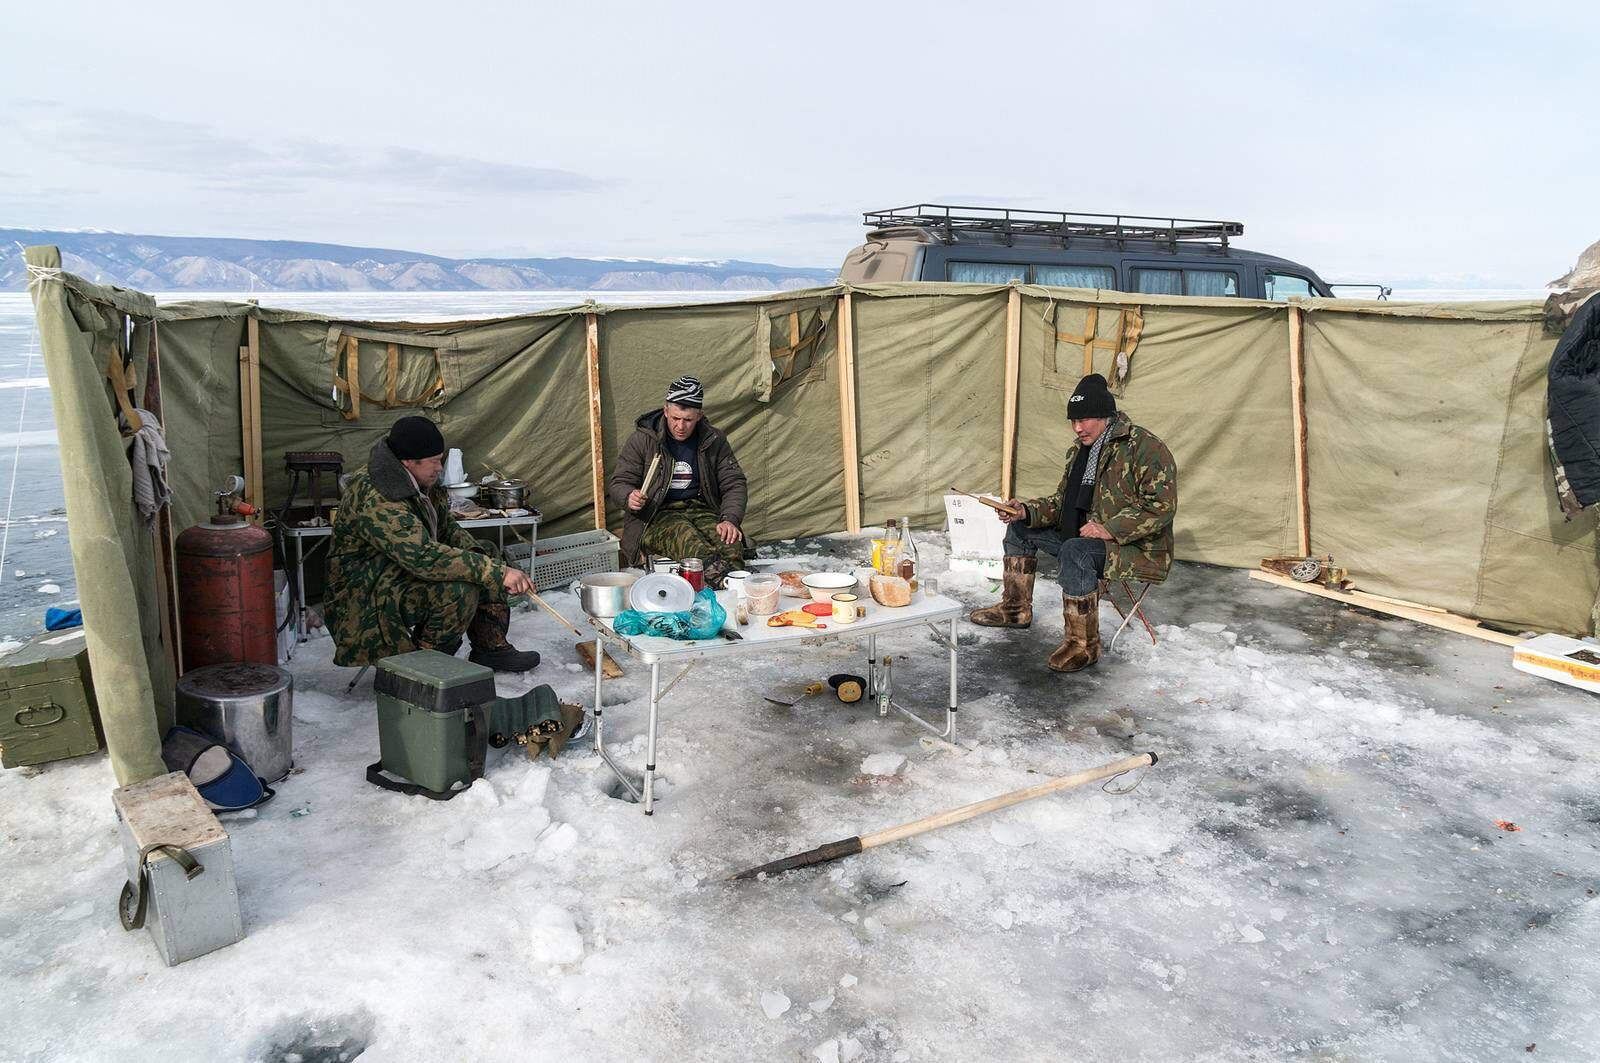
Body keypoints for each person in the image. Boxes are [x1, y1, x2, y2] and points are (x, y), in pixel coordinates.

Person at [969, 374, 1177, 673]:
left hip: (1137, 548)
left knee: (1076, 552)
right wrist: (1026, 511)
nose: (1078, 427)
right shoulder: (1081, 451)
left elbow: (1161, 507)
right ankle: (1015, 610)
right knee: (1019, 529)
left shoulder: (1144, 448)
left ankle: (1083, 645)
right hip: (1081, 537)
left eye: (1086, 419)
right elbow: (1062, 503)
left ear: (1106, 415)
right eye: (1073, 420)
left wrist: (1110, 528)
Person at [325, 415, 541, 672]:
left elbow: (447, 528)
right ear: (408, 461)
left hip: (394, 573)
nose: (440, 468)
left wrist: (486, 561)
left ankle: (489, 648)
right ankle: (422, 671)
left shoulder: (420, 480)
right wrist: (496, 572)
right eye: (435, 461)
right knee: (459, 591)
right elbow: (422, 556)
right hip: (364, 596)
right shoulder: (379, 495)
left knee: (486, 553)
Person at [607, 375, 748, 587]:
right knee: (694, 547)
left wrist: (730, 519)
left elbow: (734, 482)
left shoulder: (713, 439)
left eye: (688, 420)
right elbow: (619, 482)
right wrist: (629, 497)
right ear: (665, 411)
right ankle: (722, 592)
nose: (680, 426)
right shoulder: (644, 439)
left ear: (699, 416)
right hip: (655, 515)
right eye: (675, 418)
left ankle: (730, 591)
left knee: (731, 546)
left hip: (701, 509)